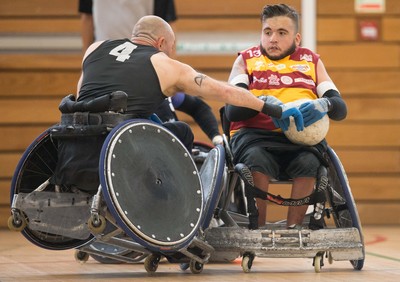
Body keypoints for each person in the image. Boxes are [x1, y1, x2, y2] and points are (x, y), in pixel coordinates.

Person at [77, 15, 304, 150]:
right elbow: (224, 91)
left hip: (81, 137)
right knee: (181, 131)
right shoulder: (164, 64)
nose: (172, 54)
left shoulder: (95, 48)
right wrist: (270, 107)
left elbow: (82, 97)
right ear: (161, 42)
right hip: (125, 146)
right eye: (172, 48)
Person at [226, 4, 347, 229]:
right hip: (255, 137)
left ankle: (295, 231)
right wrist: (264, 104)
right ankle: (257, 230)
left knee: (311, 162)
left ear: (296, 38)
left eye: (282, 33)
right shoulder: (245, 60)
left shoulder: (311, 61)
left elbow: (341, 108)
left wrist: (325, 103)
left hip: (301, 140)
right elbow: (233, 110)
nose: (273, 38)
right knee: (256, 159)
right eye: (268, 32)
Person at [78, 0, 222, 145]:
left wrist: (217, 138)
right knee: (182, 130)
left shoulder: (158, 81)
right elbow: (86, 17)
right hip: (137, 144)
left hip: (144, 68)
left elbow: (198, 107)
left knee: (181, 131)